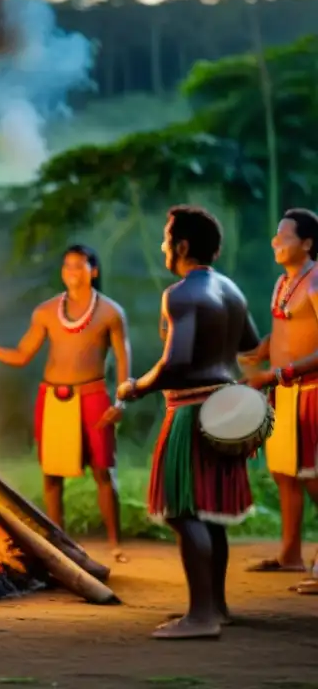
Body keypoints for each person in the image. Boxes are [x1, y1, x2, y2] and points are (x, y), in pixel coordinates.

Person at [116, 205, 261, 639]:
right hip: (226, 406)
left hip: (192, 410)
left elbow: (175, 363)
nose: (163, 245)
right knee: (209, 513)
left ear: (181, 245)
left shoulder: (179, 294)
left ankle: (200, 617)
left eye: (166, 238)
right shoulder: (231, 290)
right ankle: (216, 605)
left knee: (184, 510)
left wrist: (135, 387)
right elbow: (250, 344)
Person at [0, 244, 131, 562]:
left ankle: (116, 545)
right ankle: (60, 543)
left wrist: (122, 400)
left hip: (93, 395)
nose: (71, 271)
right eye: (66, 265)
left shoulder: (111, 312)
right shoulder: (46, 312)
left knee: (103, 471)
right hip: (54, 398)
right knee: (52, 474)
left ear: (93, 271)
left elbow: (124, 359)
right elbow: (21, 355)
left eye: (79, 265)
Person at [240, 208, 318, 592]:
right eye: (276, 235)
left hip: (311, 392)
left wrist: (279, 373)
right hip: (283, 391)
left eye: (284, 236)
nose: (275, 241)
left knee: (314, 476)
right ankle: (290, 554)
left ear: (306, 243)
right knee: (284, 472)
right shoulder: (282, 283)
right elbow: (285, 328)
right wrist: (262, 352)